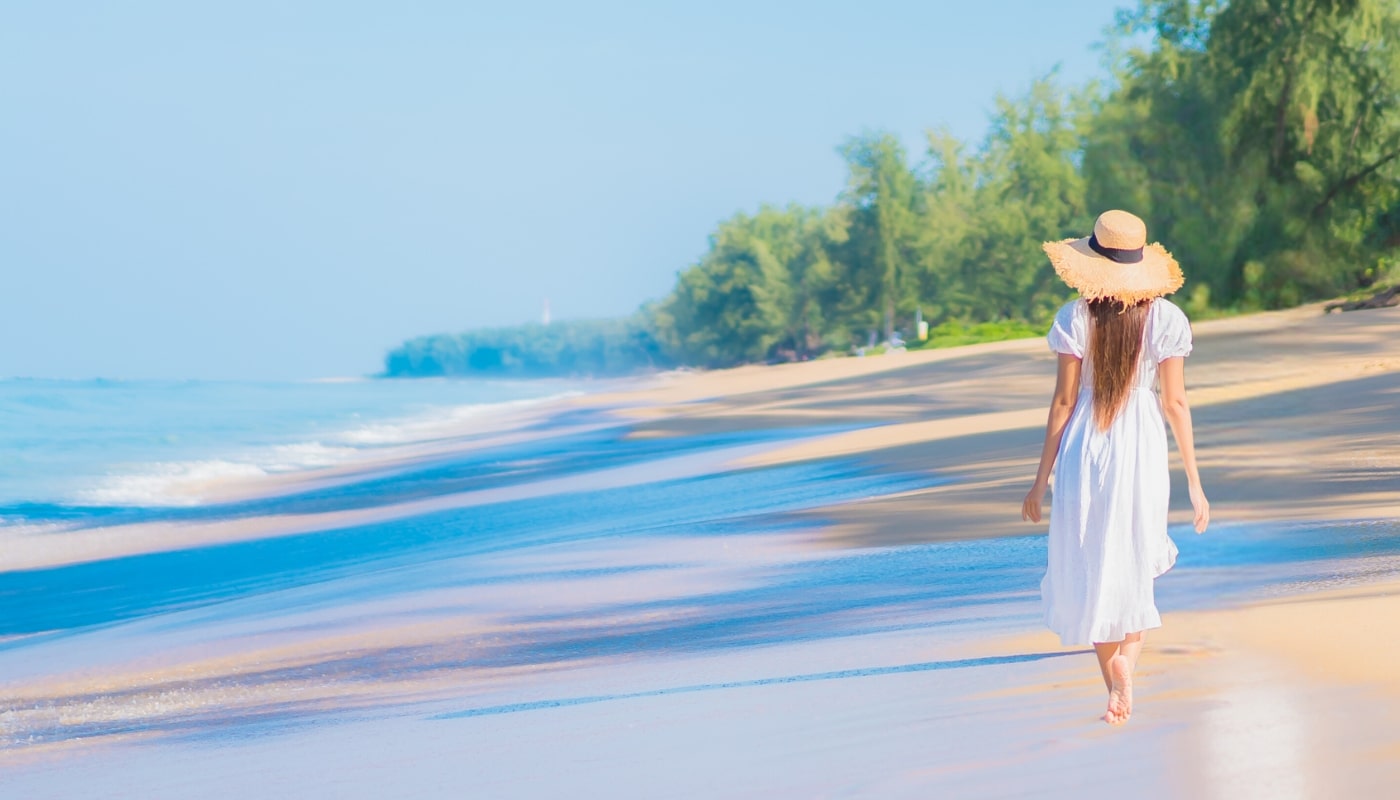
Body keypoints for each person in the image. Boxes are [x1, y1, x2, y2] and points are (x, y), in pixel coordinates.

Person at [1020, 210, 1210, 725]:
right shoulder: (1168, 320)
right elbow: (1175, 404)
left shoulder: (1074, 317)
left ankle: (1113, 683)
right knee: (1130, 558)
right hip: (1141, 445)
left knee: (1093, 561)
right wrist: (1194, 481)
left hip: (1086, 444)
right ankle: (1126, 663)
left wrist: (1040, 481)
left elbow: (1062, 404)